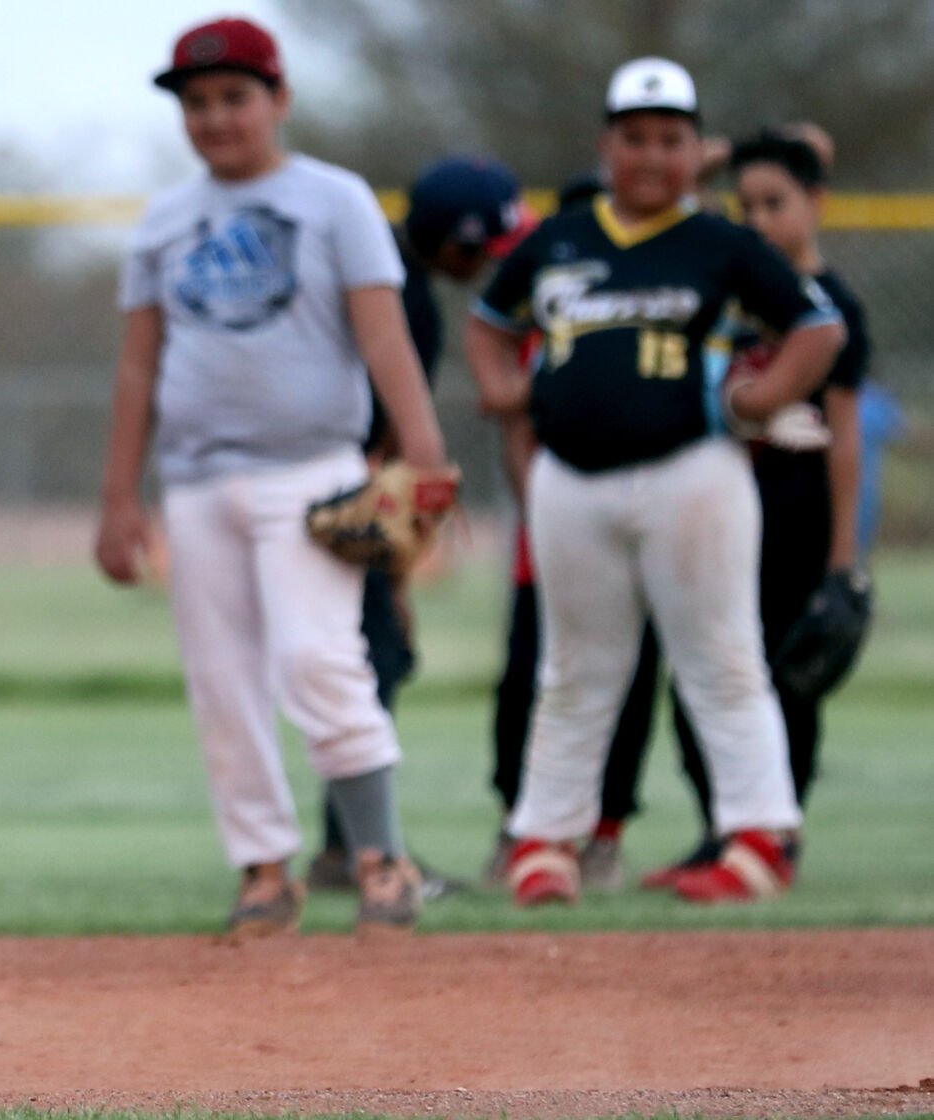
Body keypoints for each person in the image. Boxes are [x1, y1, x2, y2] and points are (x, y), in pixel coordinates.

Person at [95, 15, 453, 936]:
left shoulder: (334, 200)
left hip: (314, 471)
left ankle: (380, 857)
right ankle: (263, 870)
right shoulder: (167, 220)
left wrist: (424, 454)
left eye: (234, 97)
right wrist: (116, 498)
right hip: (197, 479)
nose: (215, 117)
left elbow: (385, 334)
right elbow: (137, 366)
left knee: (317, 657)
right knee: (221, 681)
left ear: (278, 99)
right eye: (198, 102)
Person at [465, 57, 846, 906]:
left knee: (720, 657)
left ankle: (758, 836)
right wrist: (500, 390)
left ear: (691, 149)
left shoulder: (721, 241)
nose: (650, 156)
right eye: (634, 138)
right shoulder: (560, 239)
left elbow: (815, 328)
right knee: (573, 667)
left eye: (670, 140)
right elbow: (489, 321)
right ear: (606, 144)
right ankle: (546, 839)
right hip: (571, 478)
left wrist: (760, 398)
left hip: (691, 472)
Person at [641, 128, 871, 887]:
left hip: (796, 515)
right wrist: (725, 148)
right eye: (746, 206)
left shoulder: (834, 305)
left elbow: (843, 440)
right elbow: (666, 210)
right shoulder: (731, 290)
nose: (758, 220)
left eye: (775, 203)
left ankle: (777, 839)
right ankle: (719, 831)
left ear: (816, 204)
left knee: (782, 680)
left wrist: (842, 559)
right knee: (696, 682)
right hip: (716, 509)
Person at [306, 154, 531, 898]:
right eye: (481, 250)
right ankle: (354, 853)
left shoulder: (386, 278)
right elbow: (385, 435)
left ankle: (346, 848)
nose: (485, 265)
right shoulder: (407, 299)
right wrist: (390, 571)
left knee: (357, 665)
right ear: (454, 242)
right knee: (369, 662)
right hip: (345, 502)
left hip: (318, 487)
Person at [482, 169, 665, 894]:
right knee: (528, 685)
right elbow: (516, 430)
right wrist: (554, 516)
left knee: (628, 687)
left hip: (644, 542)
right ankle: (522, 826)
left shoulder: (655, 321)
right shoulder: (541, 330)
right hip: (551, 546)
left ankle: (604, 834)